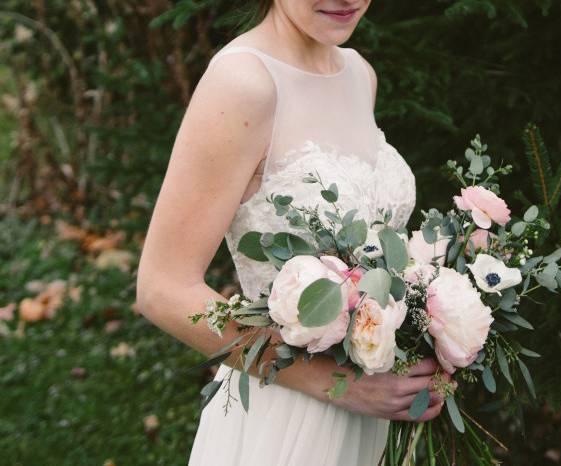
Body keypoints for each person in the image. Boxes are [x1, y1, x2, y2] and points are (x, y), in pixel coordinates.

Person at [135, 1, 448, 464]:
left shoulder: (359, 74)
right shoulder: (243, 83)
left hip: (370, 422)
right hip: (286, 419)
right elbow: (162, 289)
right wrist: (337, 386)